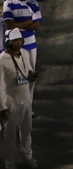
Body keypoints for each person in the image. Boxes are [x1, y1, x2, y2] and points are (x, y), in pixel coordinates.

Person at [0, 29, 36, 169]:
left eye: (20, 40)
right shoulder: (2, 60)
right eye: (15, 40)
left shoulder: (25, 54)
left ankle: (28, 156)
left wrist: (31, 76)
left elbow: (28, 72)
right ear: (8, 42)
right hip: (11, 103)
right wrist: (2, 107)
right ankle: (10, 162)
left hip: (26, 101)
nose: (18, 43)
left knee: (27, 132)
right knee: (9, 136)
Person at [2, 0, 39, 99]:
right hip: (14, 45)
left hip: (30, 44)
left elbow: (37, 26)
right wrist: (28, 22)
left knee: (31, 73)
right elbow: (9, 24)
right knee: (13, 72)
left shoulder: (33, 3)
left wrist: (18, 25)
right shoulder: (9, 3)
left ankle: (29, 101)